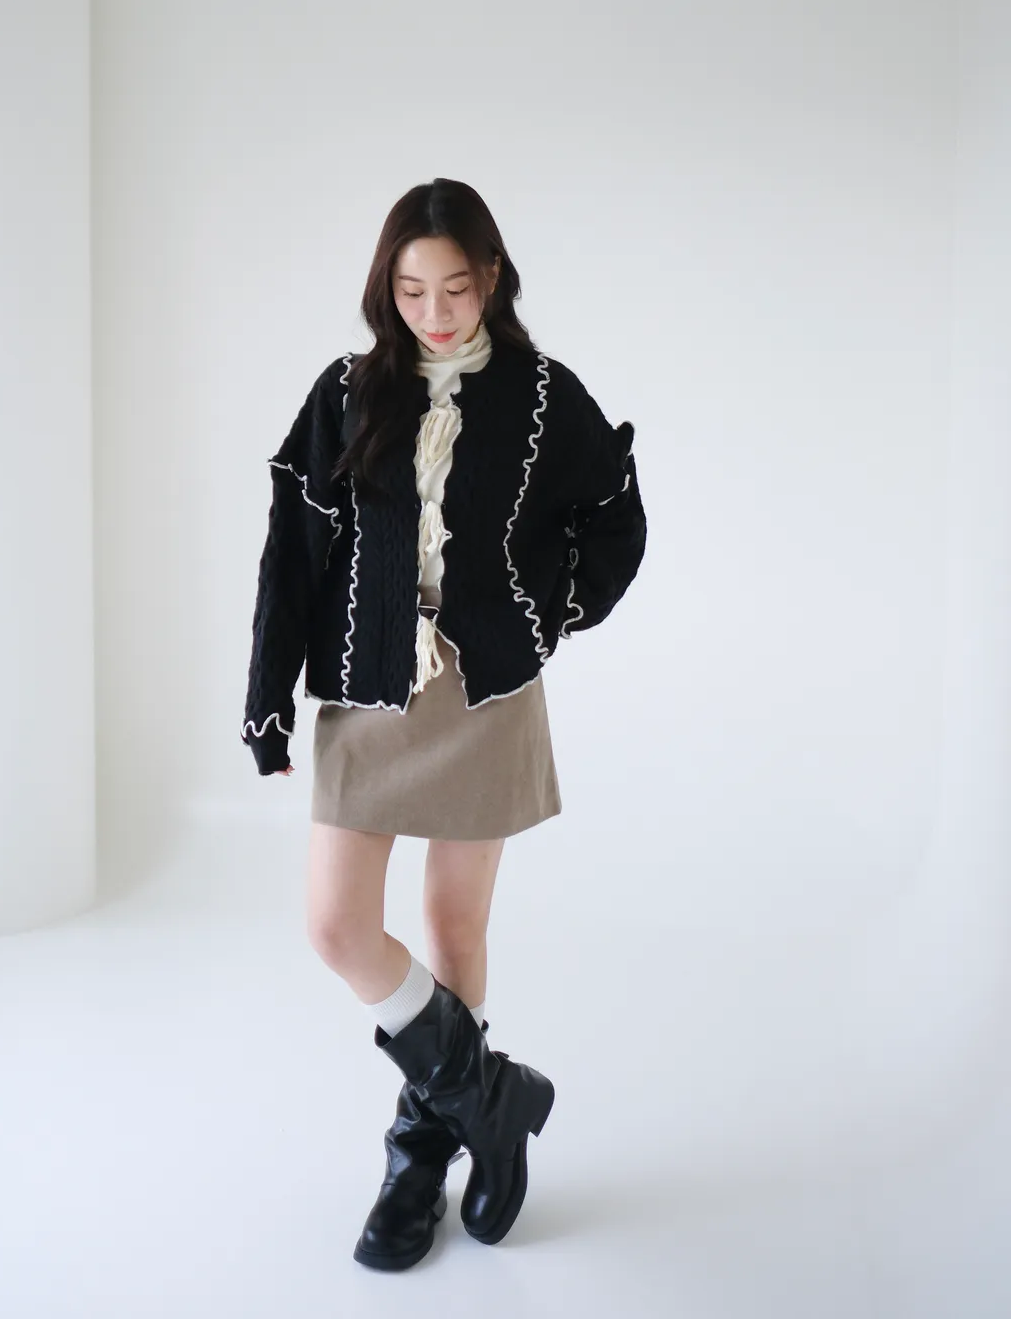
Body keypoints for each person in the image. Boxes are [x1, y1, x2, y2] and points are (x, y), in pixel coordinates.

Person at [241, 178, 647, 1271]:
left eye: (455, 288)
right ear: (387, 286)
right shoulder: (345, 392)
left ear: (493, 280)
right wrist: (266, 699)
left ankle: (421, 1150)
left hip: (485, 695)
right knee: (338, 927)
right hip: (368, 680)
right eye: (411, 289)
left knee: (452, 926)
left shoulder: (543, 395)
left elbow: (613, 513)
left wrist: (543, 615)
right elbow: (294, 554)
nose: (432, 311)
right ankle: (489, 1097)